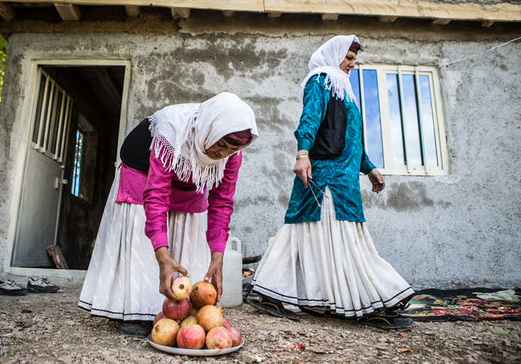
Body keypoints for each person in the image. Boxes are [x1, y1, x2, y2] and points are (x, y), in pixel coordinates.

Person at [246, 35, 414, 329]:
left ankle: (279, 294)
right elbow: (309, 120)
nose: (352, 64)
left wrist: (369, 167)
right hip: (324, 177)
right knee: (329, 234)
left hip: (345, 177)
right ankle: (365, 302)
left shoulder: (344, 89)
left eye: (354, 60)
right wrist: (302, 154)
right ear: (333, 55)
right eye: (348, 58)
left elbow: (353, 138)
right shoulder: (321, 80)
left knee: (309, 233)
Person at [79, 92, 258, 336]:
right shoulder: (171, 130)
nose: (222, 153)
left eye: (231, 149)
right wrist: (162, 254)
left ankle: (178, 312)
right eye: (220, 143)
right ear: (209, 130)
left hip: (190, 178)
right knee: (145, 241)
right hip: (143, 172)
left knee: (190, 228)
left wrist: (218, 254)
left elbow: (222, 201)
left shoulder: (232, 154)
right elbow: (156, 194)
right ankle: (136, 312)